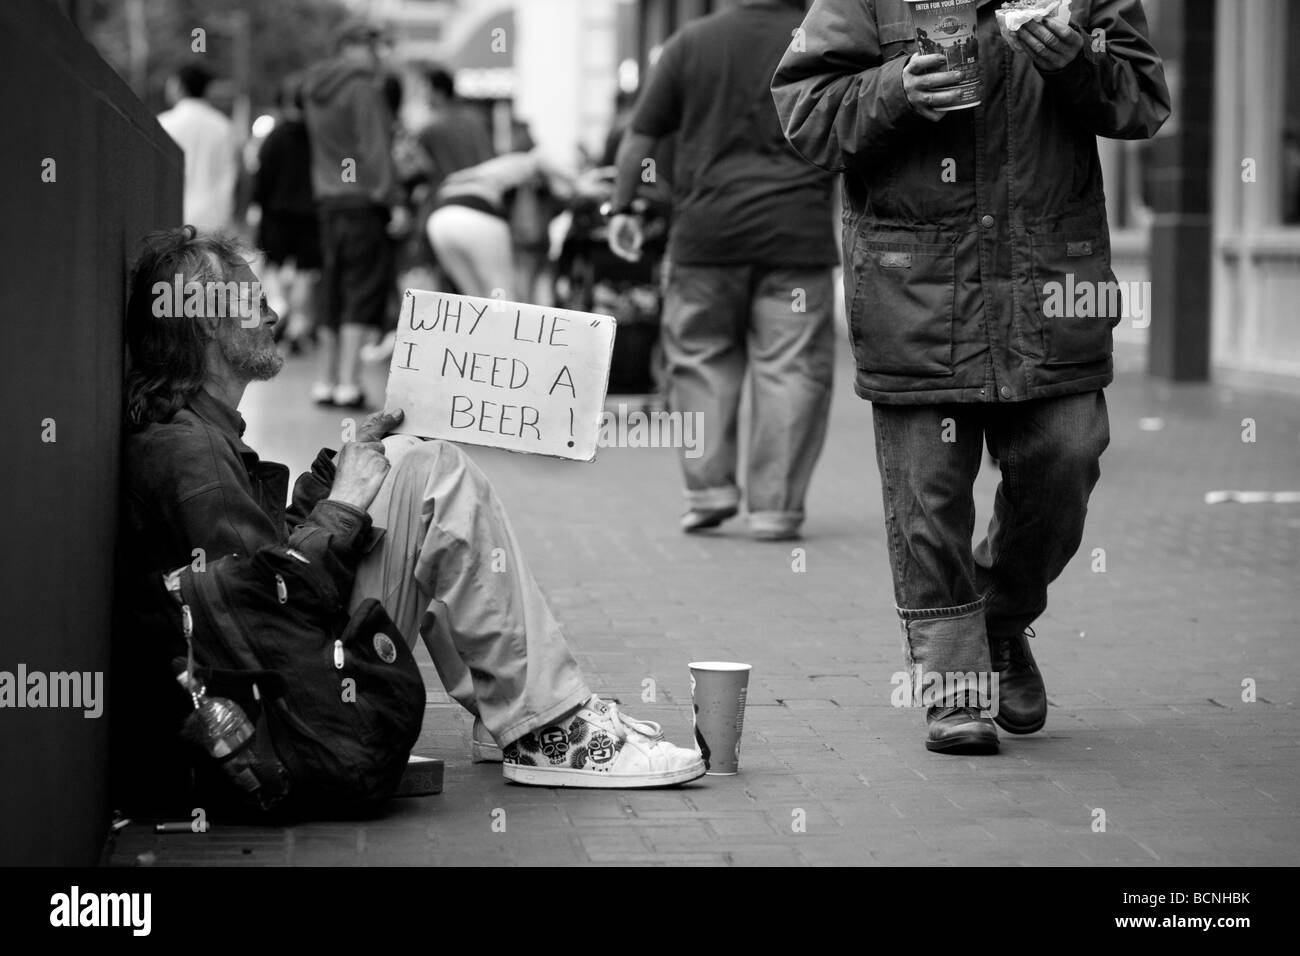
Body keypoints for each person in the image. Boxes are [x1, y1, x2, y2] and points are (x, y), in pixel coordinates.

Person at [112, 226, 706, 811]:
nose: (274, 313)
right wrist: (344, 503)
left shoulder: (195, 433)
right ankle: (546, 726)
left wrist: (338, 474)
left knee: (407, 462)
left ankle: (524, 712)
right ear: (211, 321)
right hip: (284, 729)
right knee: (434, 475)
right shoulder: (194, 456)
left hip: (280, 696)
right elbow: (272, 607)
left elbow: (260, 565)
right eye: (256, 300)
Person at [772, 0, 1170, 753]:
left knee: (1068, 455)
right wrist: (895, 91)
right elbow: (805, 113)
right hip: (917, 289)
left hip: (1049, 285)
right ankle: (955, 686)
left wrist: (1075, 64)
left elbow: (1143, 102)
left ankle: (1000, 620)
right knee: (928, 493)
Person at [607, 0, 839, 542]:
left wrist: (620, 208)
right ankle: (774, 509)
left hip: (705, 239)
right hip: (795, 238)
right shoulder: (823, 36)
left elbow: (640, 137)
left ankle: (708, 492)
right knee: (793, 369)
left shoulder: (692, 42)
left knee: (699, 362)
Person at [302, 19, 410, 409]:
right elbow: (375, 149)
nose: (380, 55)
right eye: (373, 46)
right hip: (364, 202)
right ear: (351, 46)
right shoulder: (363, 89)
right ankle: (349, 382)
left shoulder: (313, 89)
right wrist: (394, 199)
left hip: (328, 202)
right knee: (361, 289)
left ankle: (325, 380)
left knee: (330, 291)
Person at [425, 150, 573, 300]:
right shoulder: (527, 161)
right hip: (477, 214)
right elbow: (542, 159)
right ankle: (501, 321)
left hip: (439, 219)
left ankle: (488, 322)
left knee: (474, 298)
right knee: (500, 293)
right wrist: (578, 184)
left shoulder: (489, 171)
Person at [250, 74, 319, 353]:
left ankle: (281, 310)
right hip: (310, 215)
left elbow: (262, 176)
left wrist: (256, 204)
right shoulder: (317, 137)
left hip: (276, 214)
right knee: (305, 272)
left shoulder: (276, 136)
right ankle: (298, 324)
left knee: (274, 269)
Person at [157, 63, 238, 232]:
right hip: (212, 220)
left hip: (170, 218)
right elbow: (229, 175)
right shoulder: (223, 126)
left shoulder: (164, 123)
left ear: (179, 86)